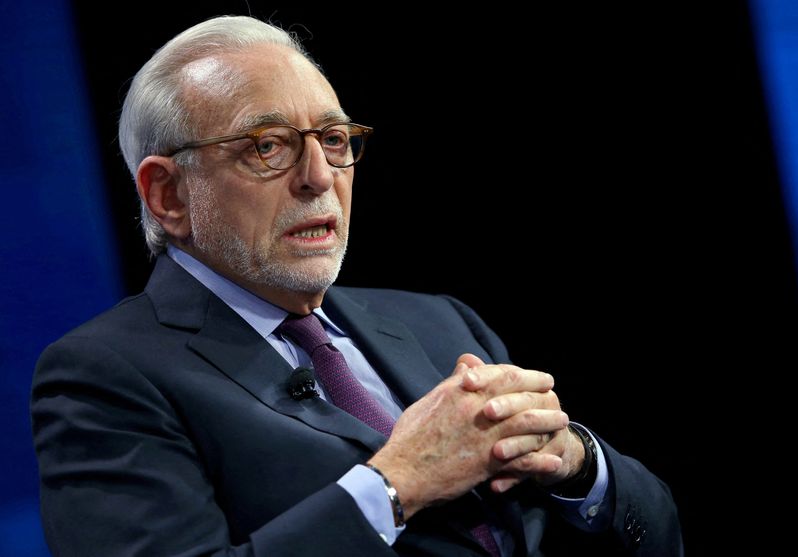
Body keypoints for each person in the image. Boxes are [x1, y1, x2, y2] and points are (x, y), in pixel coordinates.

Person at [31, 15, 682, 557]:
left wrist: (577, 463)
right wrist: (397, 483)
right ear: (167, 194)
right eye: (267, 146)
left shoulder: (443, 324)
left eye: (335, 138)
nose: (320, 176)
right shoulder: (106, 374)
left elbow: (660, 536)